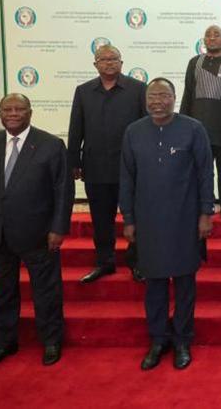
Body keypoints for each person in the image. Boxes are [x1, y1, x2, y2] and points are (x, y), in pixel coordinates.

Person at [0, 94, 73, 368]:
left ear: (30, 113)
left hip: (38, 234)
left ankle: (51, 341)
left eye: (19, 109)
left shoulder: (50, 145)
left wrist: (59, 228)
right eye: (7, 109)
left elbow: (63, 191)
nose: (13, 113)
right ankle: (4, 343)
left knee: (46, 291)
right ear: (0, 114)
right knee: (1, 292)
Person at [120, 78, 214, 371]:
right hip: (147, 222)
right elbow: (127, 178)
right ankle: (158, 339)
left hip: (185, 221)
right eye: (152, 96)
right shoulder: (133, 132)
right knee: (155, 285)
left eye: (164, 95)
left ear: (175, 98)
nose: (157, 101)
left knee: (185, 284)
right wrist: (129, 219)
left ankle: (183, 340)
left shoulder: (193, 129)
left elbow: (204, 175)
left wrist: (205, 214)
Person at [67, 44, 147, 284]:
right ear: (95, 64)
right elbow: (76, 128)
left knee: (136, 218)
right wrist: (73, 160)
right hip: (96, 167)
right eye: (103, 59)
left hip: (131, 167)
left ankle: (137, 262)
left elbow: (146, 128)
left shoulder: (138, 89)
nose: (109, 62)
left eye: (114, 59)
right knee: (101, 219)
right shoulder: (83, 91)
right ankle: (105, 262)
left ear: (122, 63)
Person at [180, 24, 221, 221]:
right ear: (204, 40)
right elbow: (188, 94)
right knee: (200, 170)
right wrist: (182, 123)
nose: (212, 38)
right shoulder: (194, 62)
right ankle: (204, 204)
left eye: (217, 35)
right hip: (197, 128)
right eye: (208, 35)